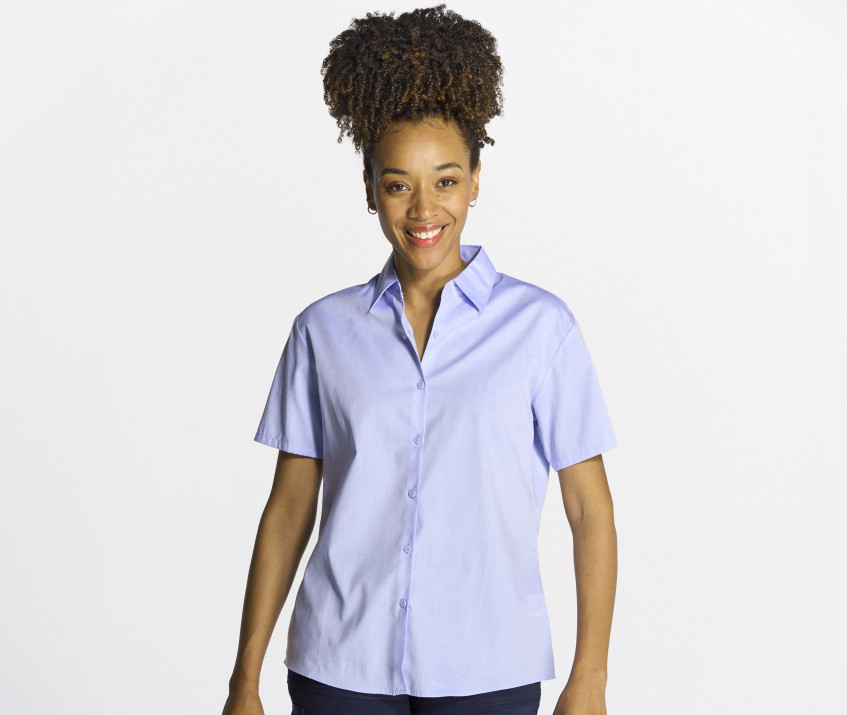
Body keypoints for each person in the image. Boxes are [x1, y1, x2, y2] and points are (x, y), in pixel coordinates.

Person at [222, 6, 618, 715]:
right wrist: (243, 679)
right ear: (370, 187)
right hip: (340, 666)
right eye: (398, 183)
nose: (423, 209)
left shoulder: (540, 328)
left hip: (487, 666)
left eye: (446, 180)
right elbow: (288, 508)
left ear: (475, 180)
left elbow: (589, 510)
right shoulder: (322, 331)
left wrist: (589, 676)